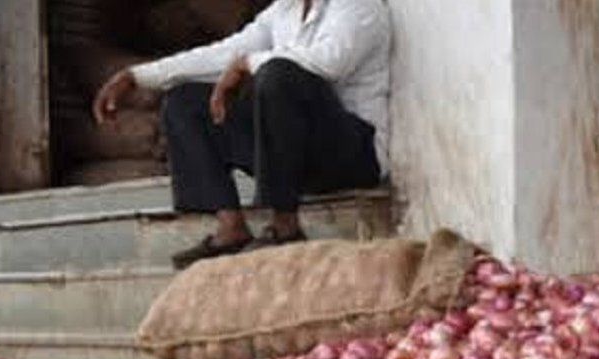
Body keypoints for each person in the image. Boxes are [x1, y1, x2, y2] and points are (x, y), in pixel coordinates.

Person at [93, 0, 391, 270]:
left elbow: (328, 63)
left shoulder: (359, 6)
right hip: (298, 156)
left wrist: (248, 64)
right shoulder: (284, 11)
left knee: (278, 76)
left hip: (353, 154)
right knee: (185, 101)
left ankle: (285, 226)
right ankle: (230, 227)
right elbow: (226, 53)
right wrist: (138, 76)